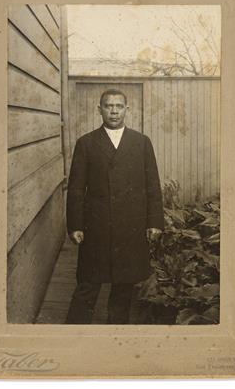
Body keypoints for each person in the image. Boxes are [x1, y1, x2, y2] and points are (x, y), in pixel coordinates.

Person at [65, 89, 164, 324]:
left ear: (127, 110)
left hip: (130, 226)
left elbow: (153, 186)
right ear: (99, 109)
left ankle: (114, 333)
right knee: (88, 285)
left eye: (119, 106)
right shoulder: (86, 143)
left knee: (123, 286)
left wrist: (154, 222)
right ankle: (71, 334)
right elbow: (76, 188)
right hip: (96, 226)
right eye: (108, 106)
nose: (114, 111)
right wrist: (75, 225)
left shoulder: (141, 143)